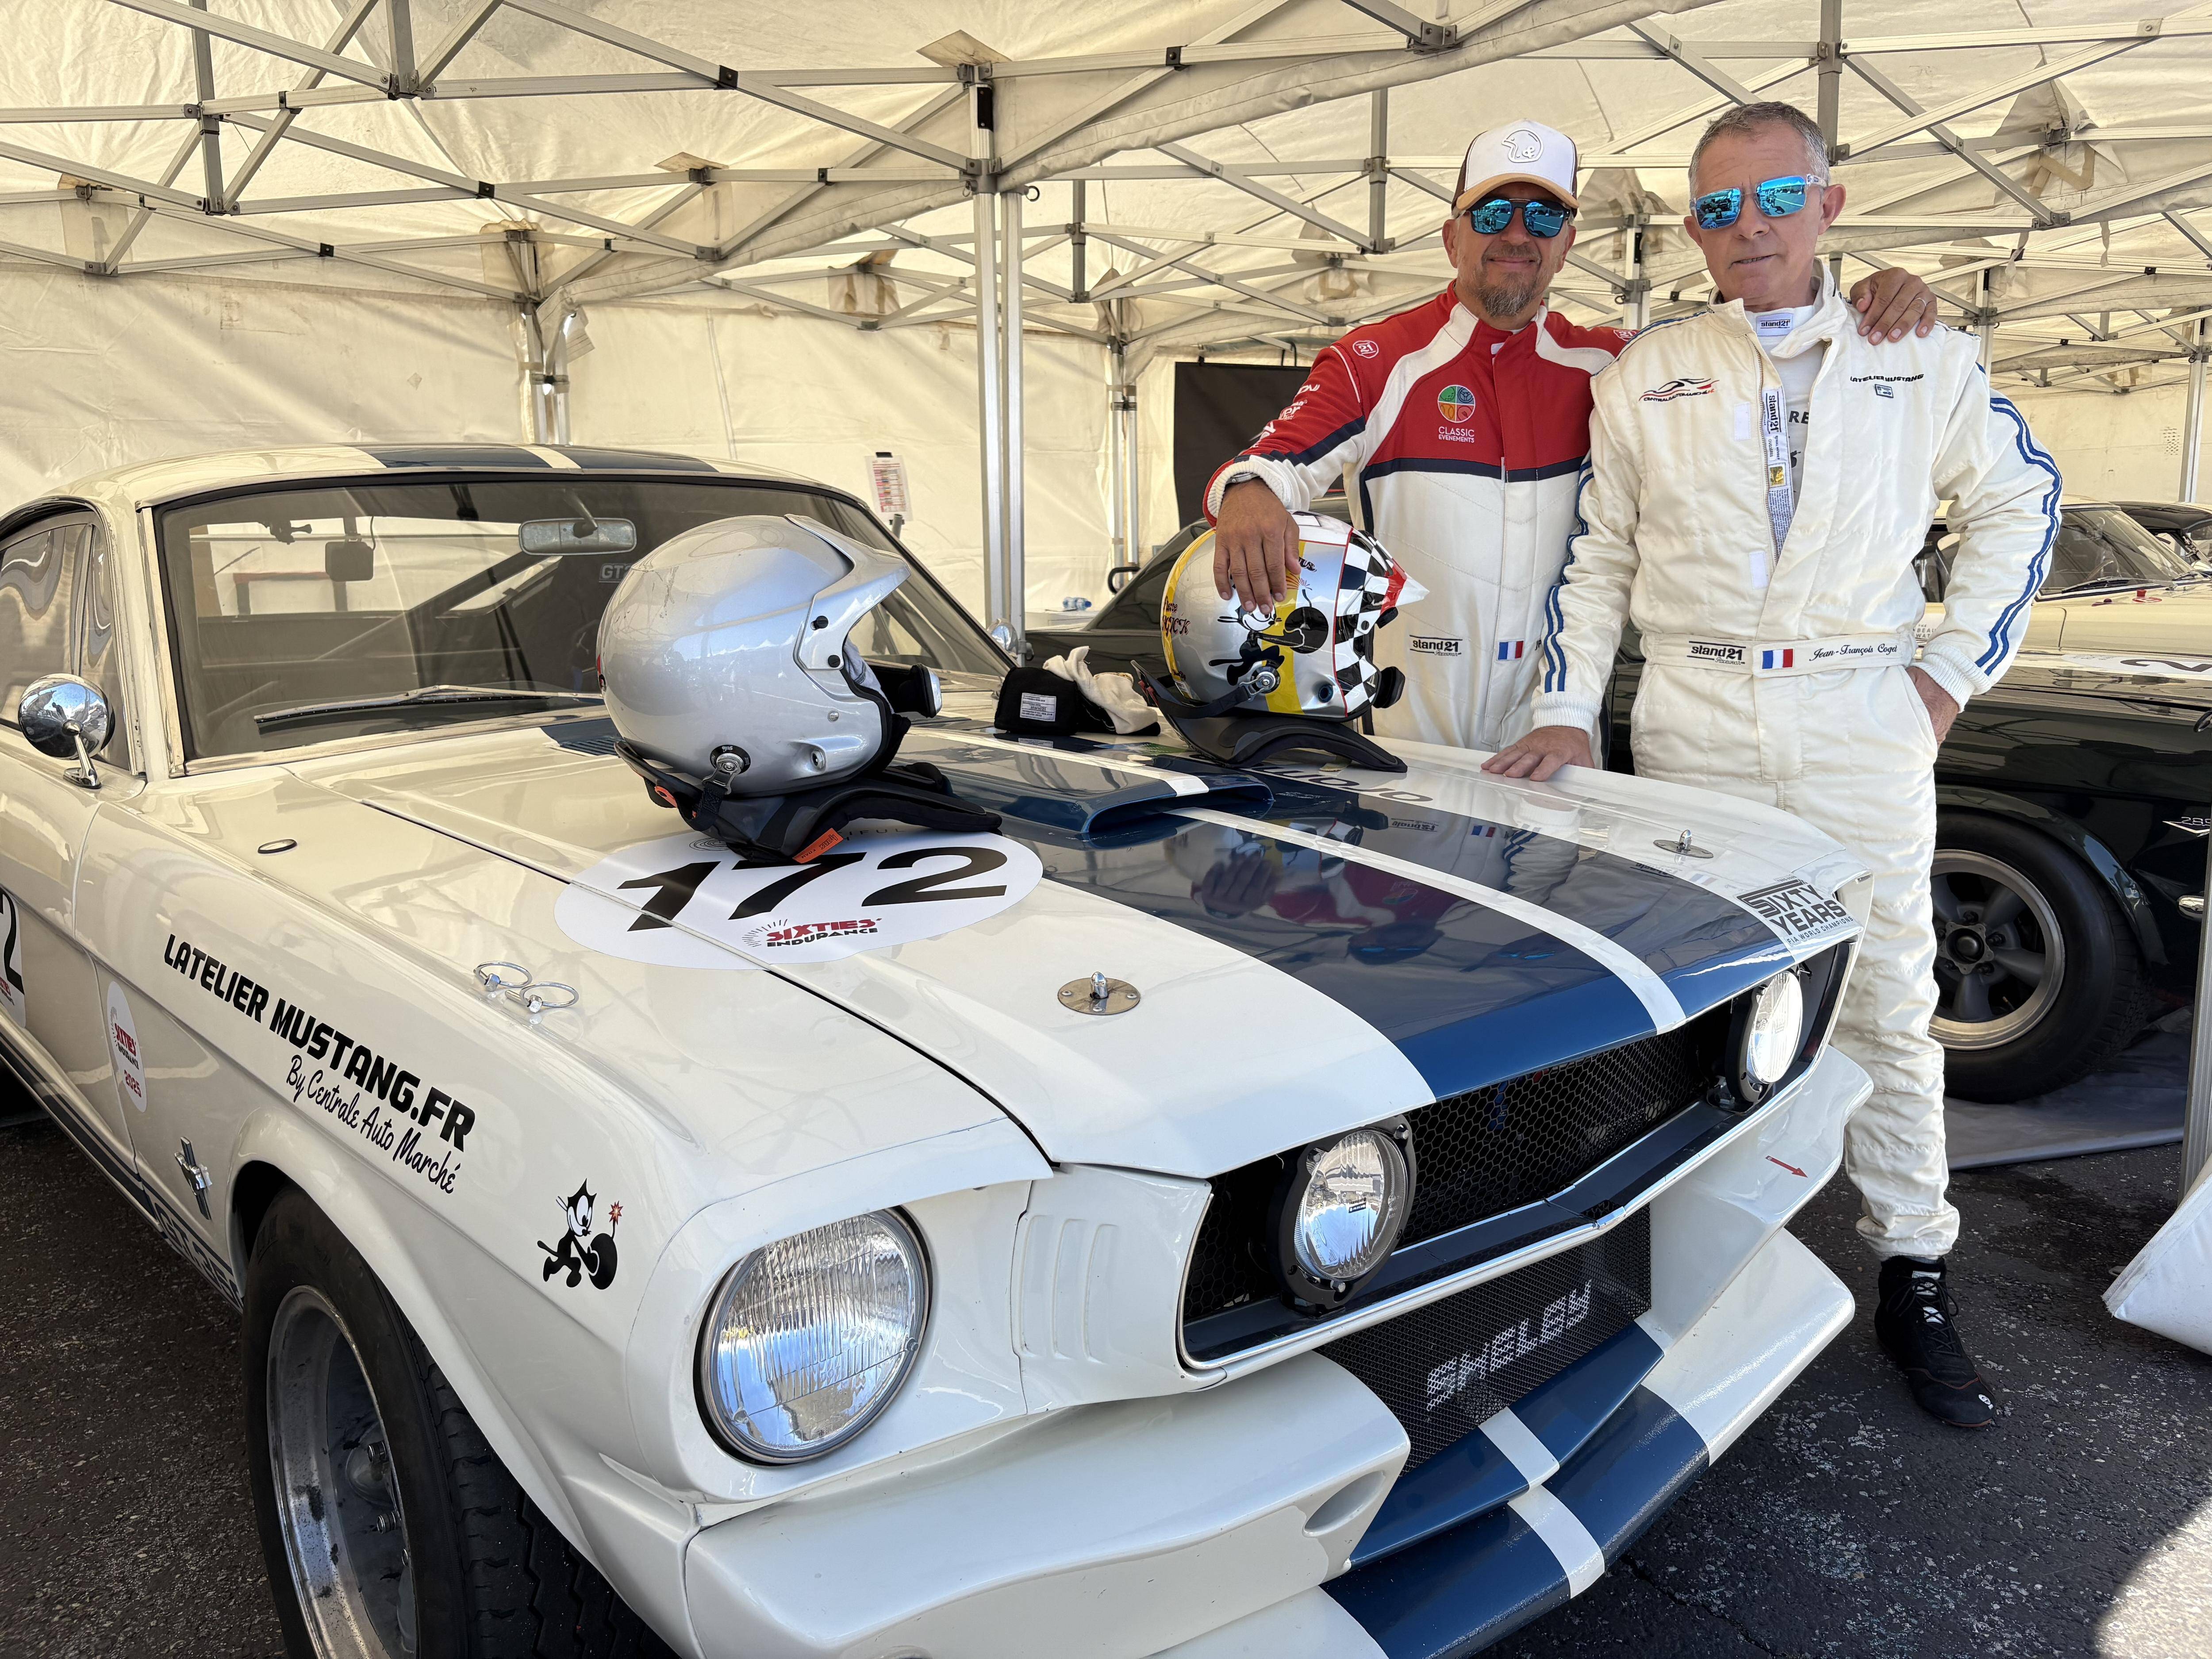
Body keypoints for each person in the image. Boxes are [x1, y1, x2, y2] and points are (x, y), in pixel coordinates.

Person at [1486, 102, 2058, 1429]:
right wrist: (1566, 707)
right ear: (1691, 230)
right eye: (1717, 209)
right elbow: (1599, 556)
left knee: (1888, 999)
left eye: (1776, 198)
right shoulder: (1648, 371)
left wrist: (1948, 676)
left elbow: (2021, 500)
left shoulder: (1922, 352)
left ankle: (1914, 1265)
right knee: (1705, 1003)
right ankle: (1709, 1265)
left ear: (1828, 204)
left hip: (1860, 712)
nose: (1748, 228)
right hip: (1691, 717)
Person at [1205, 117, 1936, 751]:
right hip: (1407, 737)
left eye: (1545, 217)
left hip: (1555, 737)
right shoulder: (1377, 359)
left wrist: (1868, 301)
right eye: (1493, 213)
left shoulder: (1616, 362)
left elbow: (1744, 339)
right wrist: (1248, 490)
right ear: (1452, 237)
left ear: (1568, 243)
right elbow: (1268, 465)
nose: (1517, 234)